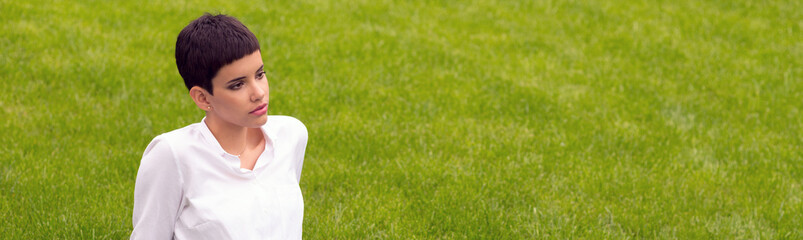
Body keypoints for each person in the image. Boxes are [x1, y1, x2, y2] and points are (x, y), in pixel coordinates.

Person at [131, 13, 308, 239]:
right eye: (237, 85)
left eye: (260, 74)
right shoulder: (172, 155)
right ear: (203, 98)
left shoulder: (291, 135)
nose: (259, 93)